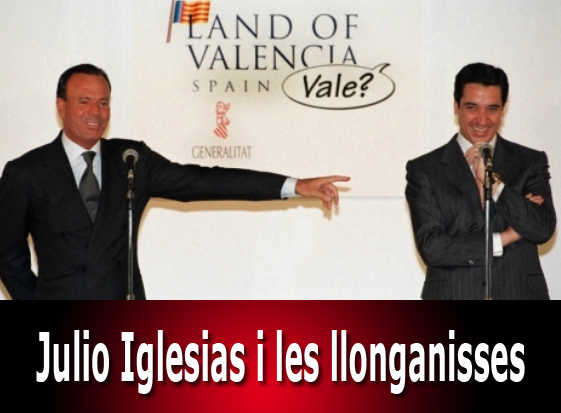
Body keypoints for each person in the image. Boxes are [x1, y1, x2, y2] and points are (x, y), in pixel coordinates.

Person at [0, 63, 349, 300]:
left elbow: (204, 182)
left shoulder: (130, 160)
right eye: (84, 102)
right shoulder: (27, 171)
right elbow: (7, 254)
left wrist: (294, 186)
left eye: (103, 103)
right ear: (61, 107)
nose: (96, 112)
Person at [405, 62, 556, 299]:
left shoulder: (529, 162)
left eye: (492, 109)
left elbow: (541, 229)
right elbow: (433, 248)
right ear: (456, 107)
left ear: (503, 109)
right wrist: (505, 238)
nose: (482, 120)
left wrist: (496, 186)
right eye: (472, 107)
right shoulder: (425, 169)